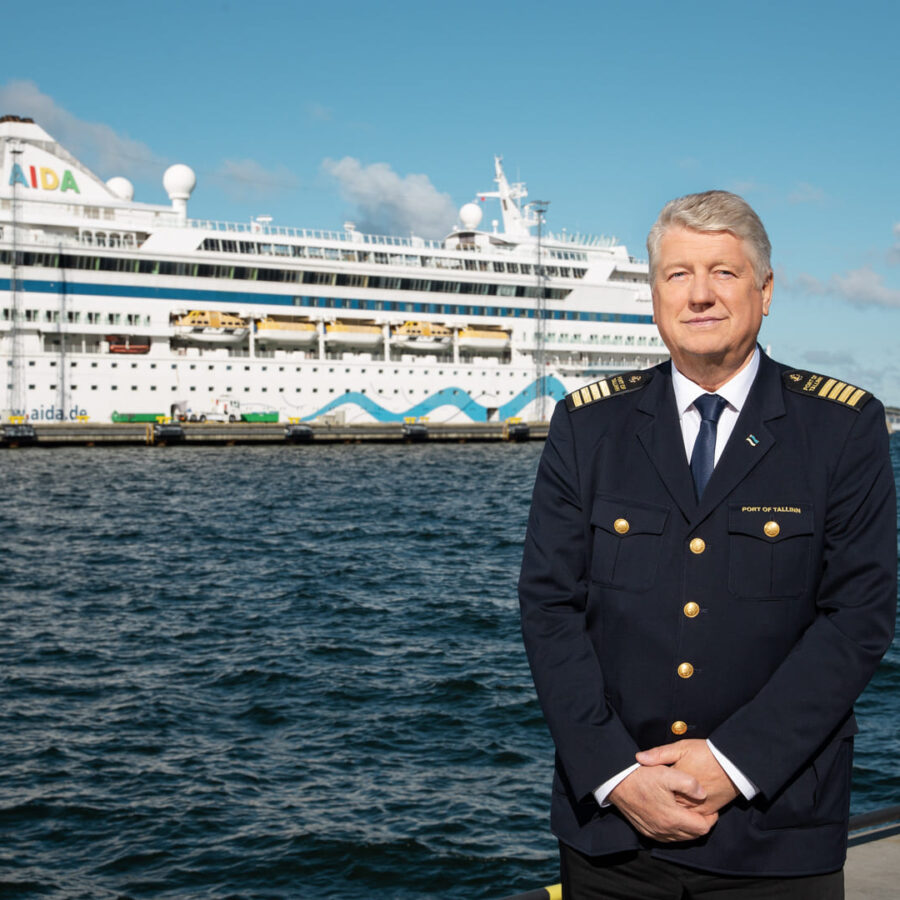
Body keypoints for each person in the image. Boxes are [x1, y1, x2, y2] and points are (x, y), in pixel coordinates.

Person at [518, 190, 897, 899]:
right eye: (678, 274)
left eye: (723, 271)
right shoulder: (588, 427)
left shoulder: (841, 429)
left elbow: (858, 619)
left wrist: (734, 763)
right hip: (612, 832)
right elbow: (548, 608)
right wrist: (616, 774)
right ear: (655, 295)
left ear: (765, 291)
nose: (699, 294)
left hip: (776, 830)